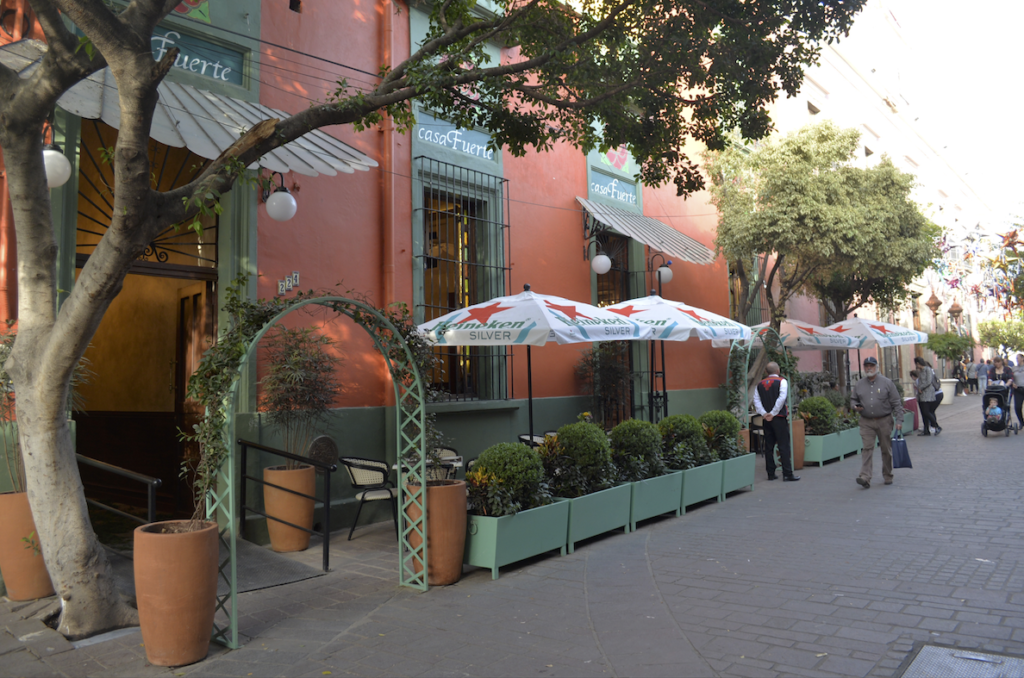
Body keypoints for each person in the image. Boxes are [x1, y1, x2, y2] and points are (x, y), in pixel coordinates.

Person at [851, 356, 903, 488]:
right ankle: (865, 477)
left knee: (886, 449)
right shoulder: (859, 384)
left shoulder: (887, 383)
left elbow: (896, 402)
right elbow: (853, 399)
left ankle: (887, 474)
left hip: (884, 420)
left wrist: (899, 419)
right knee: (867, 448)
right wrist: (855, 406)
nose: (869, 368)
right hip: (866, 421)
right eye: (866, 366)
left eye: (871, 366)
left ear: (877, 367)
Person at [753, 361, 800, 482]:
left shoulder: (759, 384)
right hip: (779, 417)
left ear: (766, 372)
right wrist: (773, 413)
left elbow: (756, 401)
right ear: (778, 371)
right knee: (783, 445)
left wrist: (764, 414)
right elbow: (781, 398)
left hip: (766, 419)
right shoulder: (782, 381)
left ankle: (770, 473)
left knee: (768, 446)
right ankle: (787, 473)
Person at [913, 356, 940, 436]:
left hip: (927, 393)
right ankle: (926, 430)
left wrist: (921, 387)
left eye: (916, 364)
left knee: (926, 411)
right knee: (923, 413)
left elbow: (929, 381)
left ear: (918, 363)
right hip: (921, 394)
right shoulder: (920, 371)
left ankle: (936, 426)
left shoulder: (928, 369)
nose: (916, 366)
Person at [1011, 354, 1024, 429]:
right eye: (1016, 358)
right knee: (1017, 407)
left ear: (1022, 358)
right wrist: (1012, 383)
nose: (1016, 359)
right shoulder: (1014, 368)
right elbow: (1010, 377)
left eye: (1018, 358)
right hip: (1018, 389)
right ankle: (1021, 422)